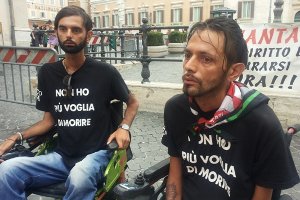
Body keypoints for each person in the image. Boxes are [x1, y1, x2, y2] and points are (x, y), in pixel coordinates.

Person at [0, 5, 139, 200]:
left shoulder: (104, 72)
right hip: (62, 157)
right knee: (7, 170)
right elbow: (48, 122)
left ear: (88, 35)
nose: (68, 35)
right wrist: (16, 136)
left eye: (76, 30)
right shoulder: (48, 73)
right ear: (56, 32)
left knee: (79, 176)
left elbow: (133, 102)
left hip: (97, 155)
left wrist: (124, 127)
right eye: (63, 29)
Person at [162, 17, 299, 200]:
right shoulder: (176, 110)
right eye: (188, 55)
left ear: (234, 71)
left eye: (206, 59)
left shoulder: (262, 124)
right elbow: (174, 175)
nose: (189, 66)